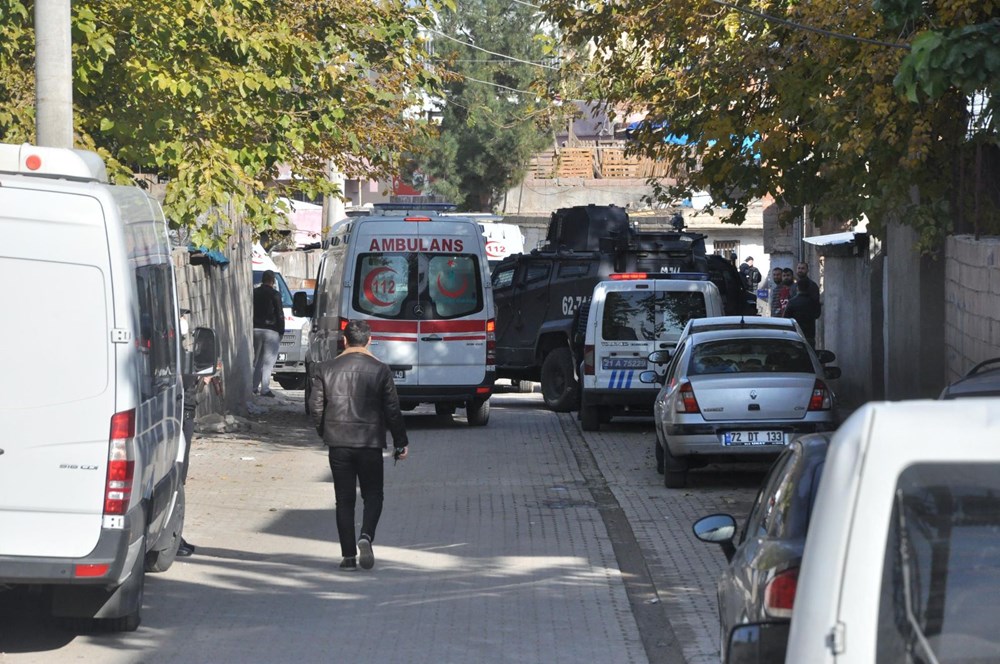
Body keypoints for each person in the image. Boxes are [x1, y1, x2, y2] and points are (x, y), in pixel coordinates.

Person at [308, 320, 409, 571]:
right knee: (373, 494)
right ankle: (366, 535)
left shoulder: (325, 368)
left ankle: (348, 558)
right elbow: (392, 410)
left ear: (344, 340)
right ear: (369, 340)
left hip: (338, 443)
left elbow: (315, 407)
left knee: (343, 500)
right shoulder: (381, 370)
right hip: (370, 443)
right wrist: (400, 442)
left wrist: (326, 432)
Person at [252, 269, 284, 397]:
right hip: (271, 330)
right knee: (268, 362)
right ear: (272, 281)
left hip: (256, 329)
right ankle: (265, 389)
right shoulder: (275, 294)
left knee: (257, 361)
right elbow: (279, 314)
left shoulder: (255, 293)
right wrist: (281, 331)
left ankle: (253, 387)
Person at [784, 274, 822, 347]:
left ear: (797, 288)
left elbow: (786, 319)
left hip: (795, 335)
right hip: (809, 335)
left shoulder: (792, 302)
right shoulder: (813, 302)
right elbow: (817, 314)